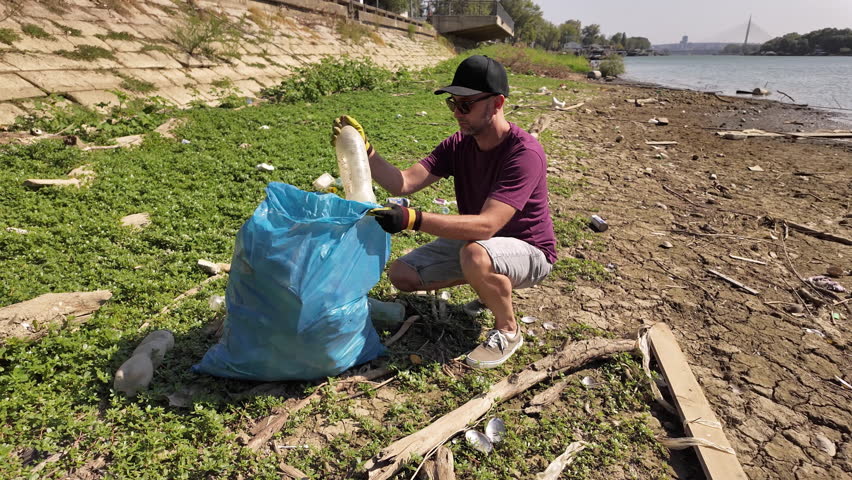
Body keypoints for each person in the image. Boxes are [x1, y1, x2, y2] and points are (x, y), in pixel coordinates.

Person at [331, 55, 557, 369]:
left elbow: (487, 225)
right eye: (453, 104)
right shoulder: (458, 145)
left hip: (529, 251)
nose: (457, 113)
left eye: (466, 105)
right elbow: (404, 182)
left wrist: (414, 220)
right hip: (479, 244)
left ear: (497, 102)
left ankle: (508, 330)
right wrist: (365, 151)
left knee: (476, 255)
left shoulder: (524, 154)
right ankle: (486, 285)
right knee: (403, 274)